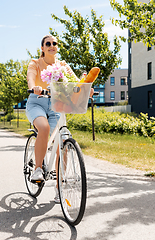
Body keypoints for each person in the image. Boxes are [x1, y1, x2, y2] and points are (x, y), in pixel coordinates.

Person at [26, 34, 93, 203]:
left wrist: (85, 88)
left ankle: (59, 188)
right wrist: (33, 87)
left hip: (57, 103)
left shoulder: (63, 65)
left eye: (54, 43)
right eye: (48, 43)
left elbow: (74, 83)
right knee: (45, 128)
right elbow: (30, 77)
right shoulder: (35, 63)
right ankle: (38, 169)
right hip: (37, 102)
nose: (51, 45)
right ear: (42, 48)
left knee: (62, 140)